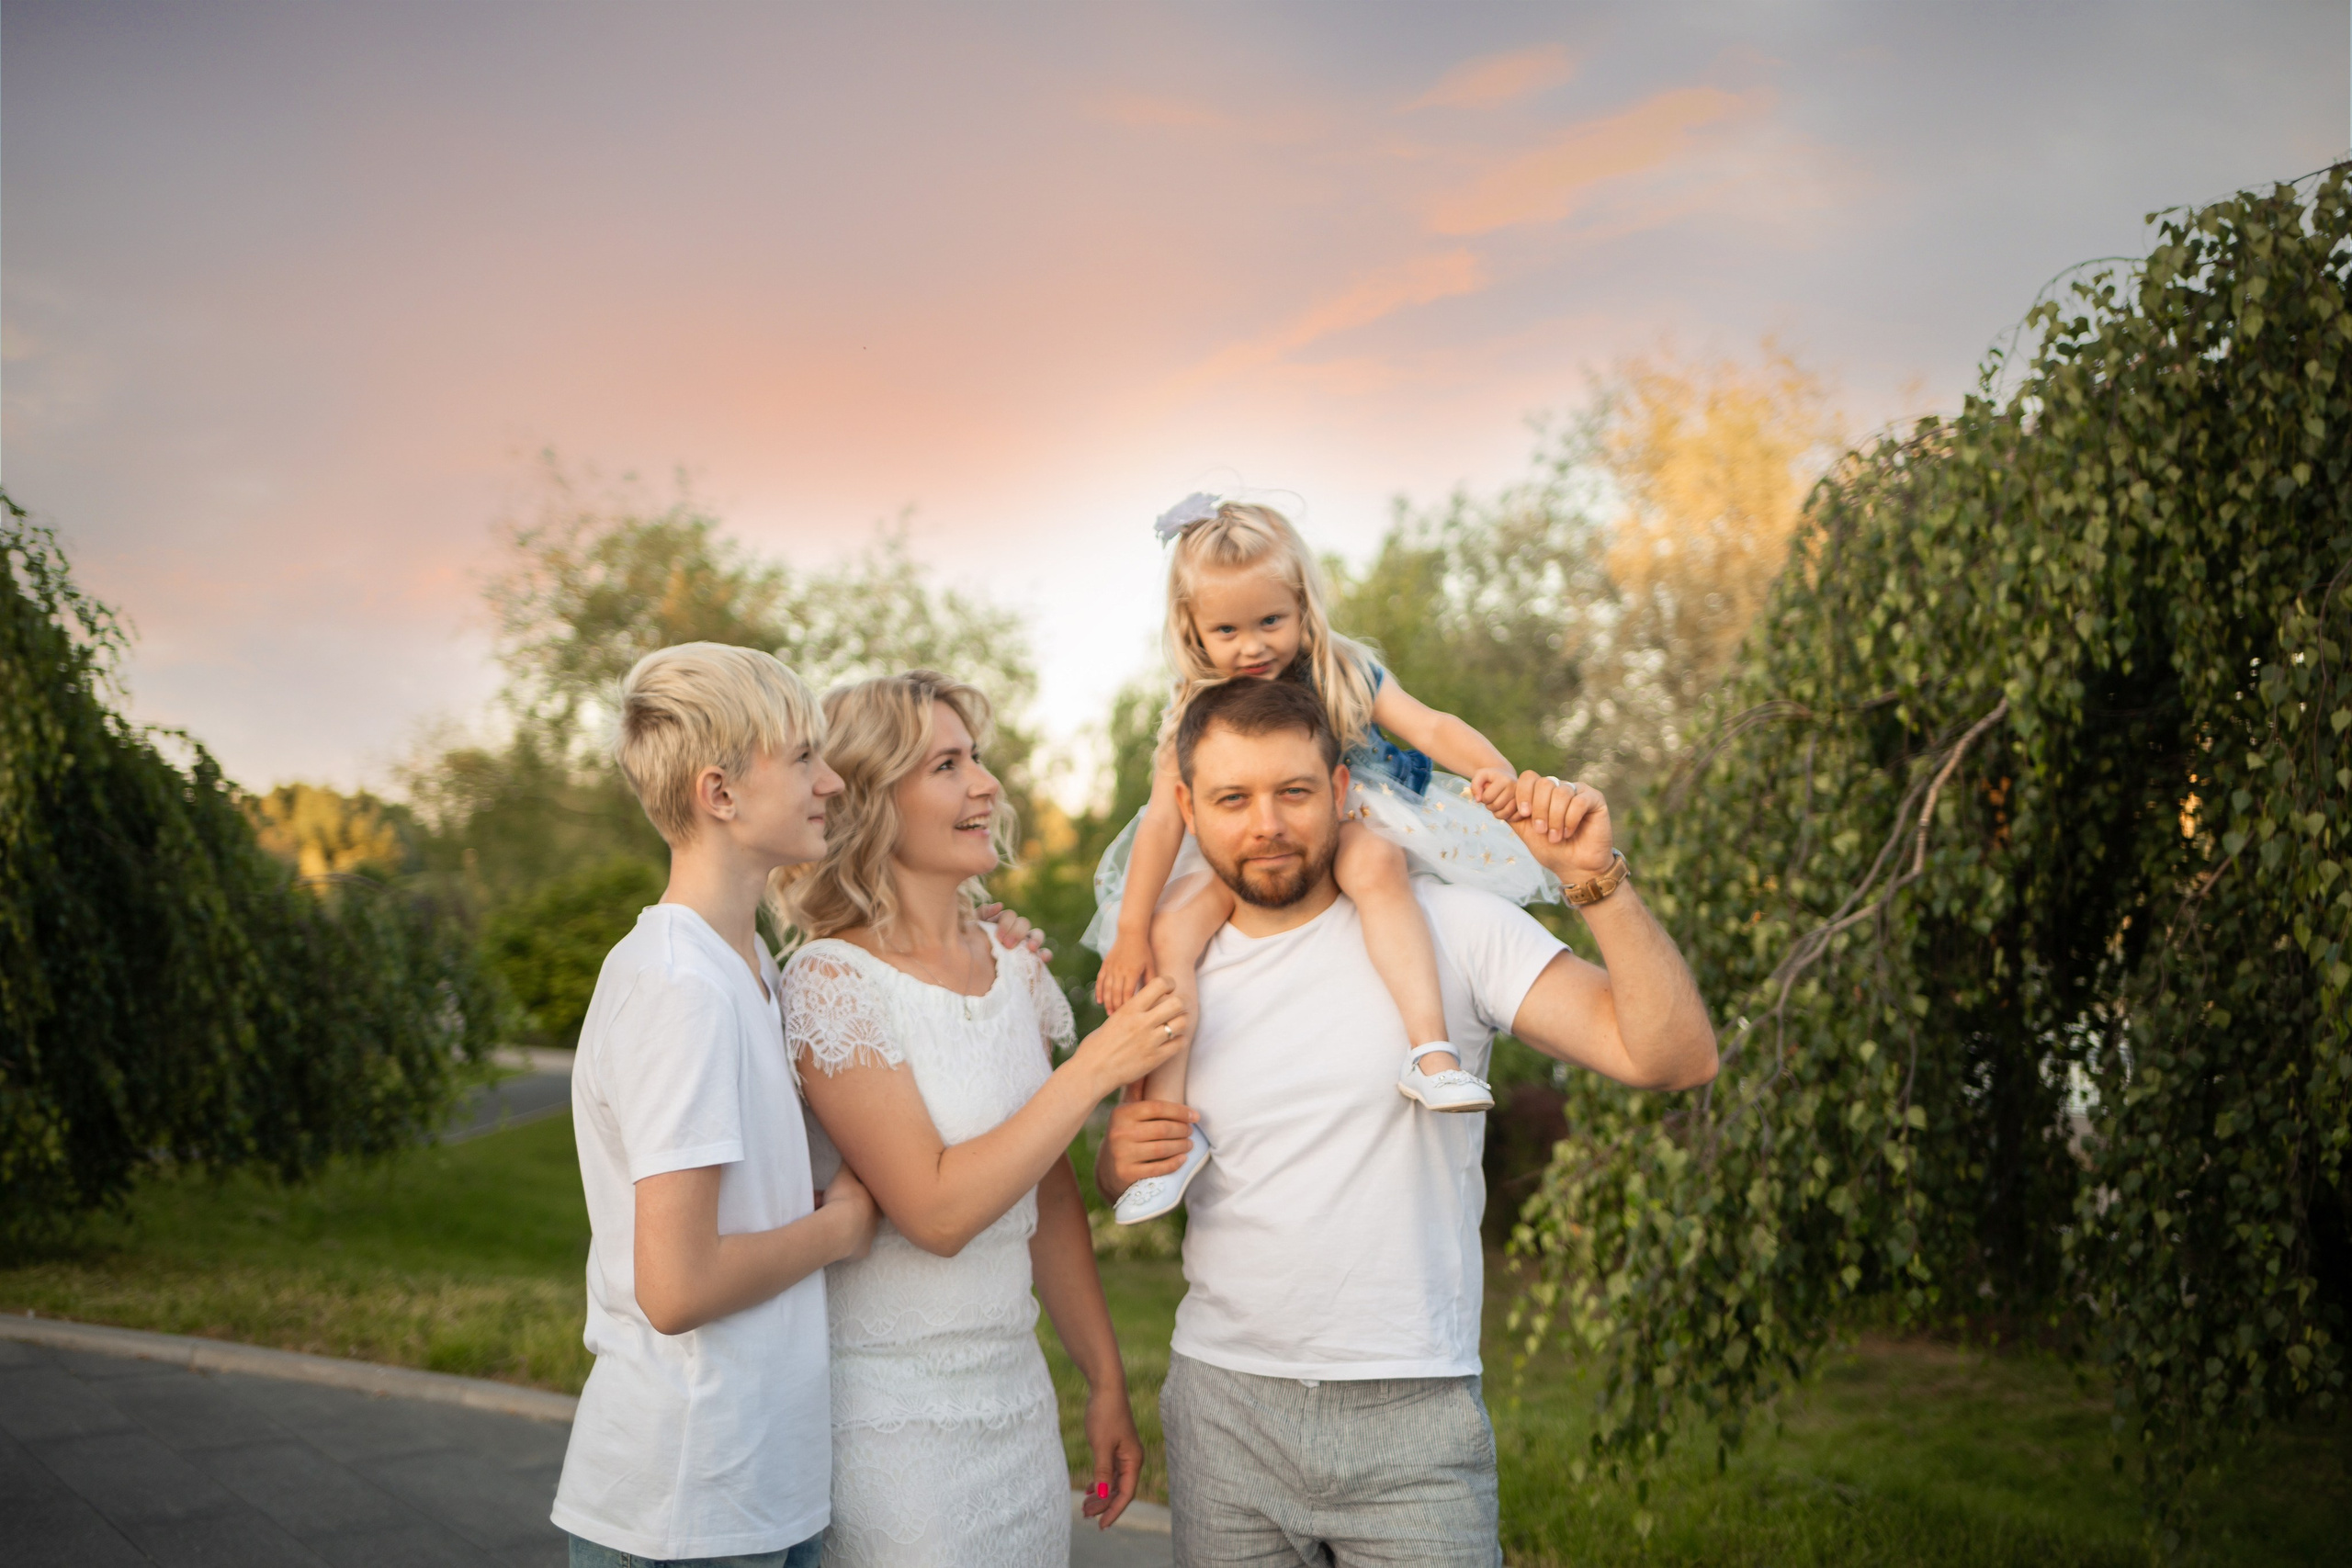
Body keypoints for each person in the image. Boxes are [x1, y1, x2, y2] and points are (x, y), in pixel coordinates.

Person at [1097, 676, 1719, 1568]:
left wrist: (1595, 883)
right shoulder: (1171, 966)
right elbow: (1127, 1165)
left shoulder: (1455, 929)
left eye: (1294, 792)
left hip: (1413, 1425)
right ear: (1188, 810)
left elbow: (1672, 1056)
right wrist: (1120, 1162)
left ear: (1343, 792)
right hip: (1219, 1411)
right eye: (1233, 798)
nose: (1265, 823)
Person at [776, 670, 1190, 1568]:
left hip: (1017, 1411)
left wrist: (1104, 1381)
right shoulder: (830, 983)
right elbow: (934, 1213)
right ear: (874, 799)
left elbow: (1048, 1198)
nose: (986, 785)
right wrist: (1090, 1072)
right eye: (947, 765)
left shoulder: (1013, 964)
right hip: (892, 1433)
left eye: (977, 759)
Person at [1088, 493, 1559, 1224]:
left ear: (1304, 605)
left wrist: (1504, 777)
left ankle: (1431, 1054)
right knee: (1172, 934)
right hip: (1244, 848)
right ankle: (1174, 1131)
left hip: (1345, 815)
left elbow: (1431, 726)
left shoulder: (1343, 668)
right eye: (1227, 629)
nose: (1253, 646)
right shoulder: (1194, 705)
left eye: (1271, 620)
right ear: (1193, 630)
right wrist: (1128, 927)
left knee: (1375, 866)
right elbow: (1159, 820)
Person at [551, 642, 882, 1568]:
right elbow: (677, 1286)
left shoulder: (744, 967)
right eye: (805, 757)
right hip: (686, 1501)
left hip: (760, 1486)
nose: (833, 783)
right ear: (719, 794)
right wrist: (839, 1230)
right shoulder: (679, 988)